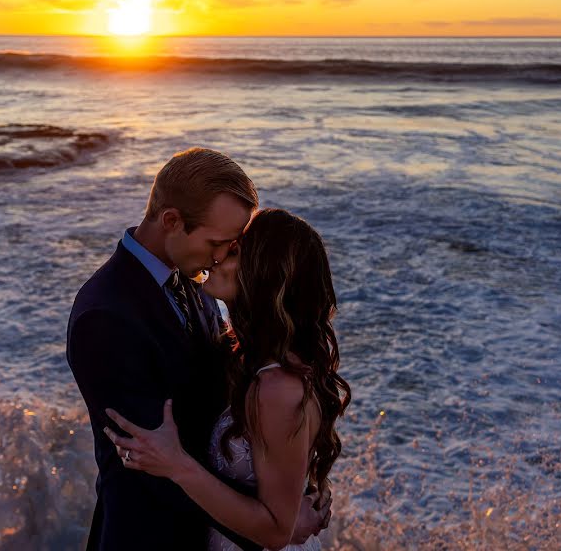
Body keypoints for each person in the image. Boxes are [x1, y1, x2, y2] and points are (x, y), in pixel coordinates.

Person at [67, 149, 331, 550]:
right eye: (218, 242)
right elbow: (147, 461)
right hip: (153, 538)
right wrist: (279, 519)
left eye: (233, 246)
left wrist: (292, 489)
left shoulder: (193, 280)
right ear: (171, 221)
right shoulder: (106, 313)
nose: (222, 256)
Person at [105, 208, 351, 551]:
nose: (217, 257)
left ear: (267, 276)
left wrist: (178, 465)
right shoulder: (248, 360)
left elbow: (277, 532)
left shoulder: (277, 387)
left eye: (234, 252)